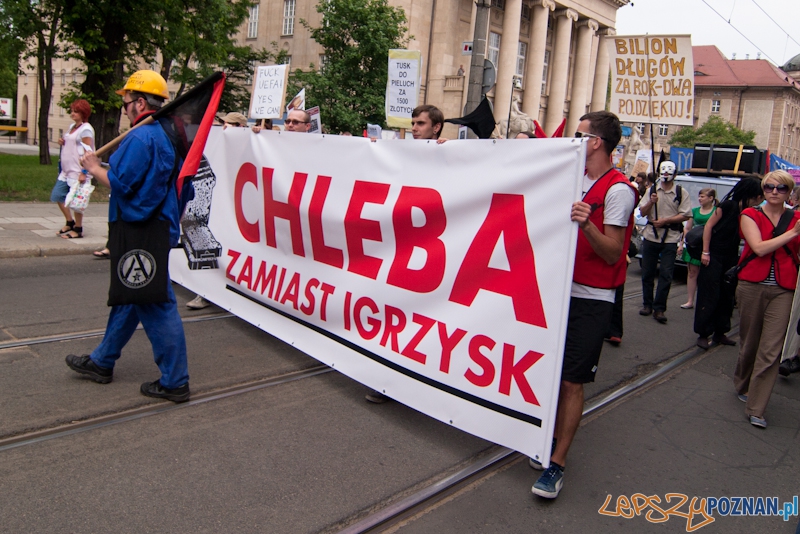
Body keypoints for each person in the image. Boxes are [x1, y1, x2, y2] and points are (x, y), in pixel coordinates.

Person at [65, 69, 191, 403]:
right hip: (155, 226)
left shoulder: (141, 137)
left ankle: (175, 381)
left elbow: (122, 184)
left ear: (138, 102)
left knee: (155, 301)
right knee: (132, 293)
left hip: (141, 230)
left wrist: (94, 168)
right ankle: (102, 362)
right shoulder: (166, 133)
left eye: (125, 103)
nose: (124, 108)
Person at [531, 111, 636, 499]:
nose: (573, 137)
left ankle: (556, 463)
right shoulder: (572, 177)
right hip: (555, 290)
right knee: (547, 371)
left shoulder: (618, 190)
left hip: (591, 298)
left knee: (572, 380)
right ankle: (546, 436)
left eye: (579, 132)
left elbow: (612, 253)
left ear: (595, 142)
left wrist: (587, 223)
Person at [734, 170, 800, 428]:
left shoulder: (795, 217)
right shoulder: (750, 215)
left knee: (771, 349)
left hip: (784, 288)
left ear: (789, 192)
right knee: (749, 342)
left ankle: (757, 407)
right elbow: (759, 248)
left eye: (781, 188)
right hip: (752, 284)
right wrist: (792, 233)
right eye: (769, 187)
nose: (774, 192)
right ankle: (742, 380)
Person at [695, 179, 764, 350]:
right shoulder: (728, 206)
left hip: (731, 257)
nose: (759, 201)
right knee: (709, 293)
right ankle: (703, 332)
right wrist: (705, 251)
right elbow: (708, 226)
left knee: (727, 295)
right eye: (758, 197)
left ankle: (721, 331)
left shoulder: (748, 211)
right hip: (714, 254)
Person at [637, 160, 692, 323]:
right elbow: (642, 212)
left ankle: (659, 308)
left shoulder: (681, 192)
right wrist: (651, 202)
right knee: (647, 273)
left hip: (670, 238)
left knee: (666, 274)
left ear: (674, 175)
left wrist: (666, 220)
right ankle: (647, 304)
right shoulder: (652, 191)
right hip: (651, 236)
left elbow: (686, 214)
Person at [52, 99, 95, 239]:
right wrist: (62, 141)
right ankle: (70, 222)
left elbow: (88, 151)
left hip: (77, 171)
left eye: (76, 112)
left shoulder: (86, 129)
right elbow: (71, 142)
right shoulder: (72, 126)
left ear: (84, 113)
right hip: (66, 171)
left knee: (77, 202)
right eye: (72, 111)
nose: (73, 114)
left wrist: (84, 172)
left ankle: (78, 228)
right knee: (58, 195)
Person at [677, 188, 717, 309]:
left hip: (709, 246)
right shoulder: (694, 211)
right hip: (695, 245)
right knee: (692, 273)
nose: (700, 199)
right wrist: (681, 244)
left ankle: (705, 300)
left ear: (711, 198)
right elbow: (687, 228)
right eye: (699, 196)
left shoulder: (716, 211)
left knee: (707, 275)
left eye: (703, 197)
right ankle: (690, 300)